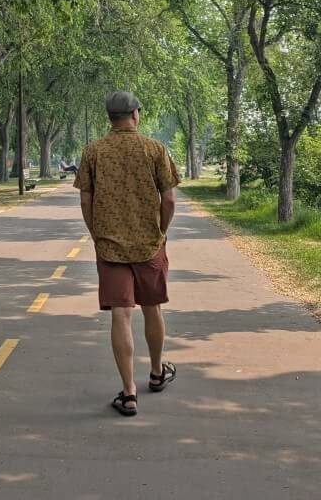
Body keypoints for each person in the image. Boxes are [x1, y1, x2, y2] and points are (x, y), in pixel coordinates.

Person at [74, 90, 179, 416]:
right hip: (149, 245)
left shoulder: (93, 152)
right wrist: (160, 232)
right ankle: (158, 372)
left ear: (110, 117)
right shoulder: (154, 149)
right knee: (152, 308)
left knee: (121, 314)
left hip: (111, 248)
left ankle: (129, 391)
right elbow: (170, 200)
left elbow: (85, 200)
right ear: (135, 114)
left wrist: (97, 235)